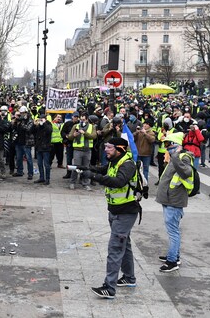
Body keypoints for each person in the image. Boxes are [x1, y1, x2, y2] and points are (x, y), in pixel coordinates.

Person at [81, 138, 139, 299]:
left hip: (126, 212)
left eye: (109, 147)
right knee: (124, 245)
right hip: (115, 210)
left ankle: (109, 287)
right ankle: (129, 277)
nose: (106, 150)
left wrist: (93, 176)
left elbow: (119, 182)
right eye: (105, 146)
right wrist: (85, 169)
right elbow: (102, 169)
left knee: (115, 248)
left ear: (120, 149)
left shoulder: (127, 164)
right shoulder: (115, 161)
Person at [156, 132, 195, 273]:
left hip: (175, 199)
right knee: (172, 230)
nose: (166, 147)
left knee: (173, 231)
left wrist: (175, 156)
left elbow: (186, 172)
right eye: (165, 144)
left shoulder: (183, 157)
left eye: (168, 144)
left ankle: (172, 261)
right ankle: (174, 256)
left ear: (177, 145)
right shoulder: (175, 157)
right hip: (169, 198)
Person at [68, 113, 97, 191]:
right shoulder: (76, 126)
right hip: (77, 149)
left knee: (86, 168)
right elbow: (70, 137)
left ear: (87, 119)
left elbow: (94, 136)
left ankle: (86, 183)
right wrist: (73, 135)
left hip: (87, 150)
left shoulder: (92, 127)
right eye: (81, 119)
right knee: (76, 167)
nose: (82, 121)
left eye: (83, 119)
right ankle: (72, 183)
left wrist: (85, 133)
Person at [11, 106, 34, 179]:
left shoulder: (30, 120)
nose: (22, 114)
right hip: (18, 141)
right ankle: (19, 171)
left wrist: (22, 123)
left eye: (23, 113)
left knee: (29, 159)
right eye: (20, 113)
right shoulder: (19, 120)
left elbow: (28, 129)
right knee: (18, 158)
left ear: (26, 113)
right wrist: (15, 122)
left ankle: (30, 173)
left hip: (26, 142)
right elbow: (13, 129)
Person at [31, 114, 53, 184]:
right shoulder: (38, 125)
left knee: (46, 164)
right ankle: (41, 177)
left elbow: (49, 131)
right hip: (39, 147)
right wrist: (34, 125)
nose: (40, 120)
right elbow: (31, 131)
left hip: (46, 147)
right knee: (39, 163)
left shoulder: (48, 124)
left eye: (42, 119)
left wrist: (44, 123)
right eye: (40, 118)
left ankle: (47, 179)